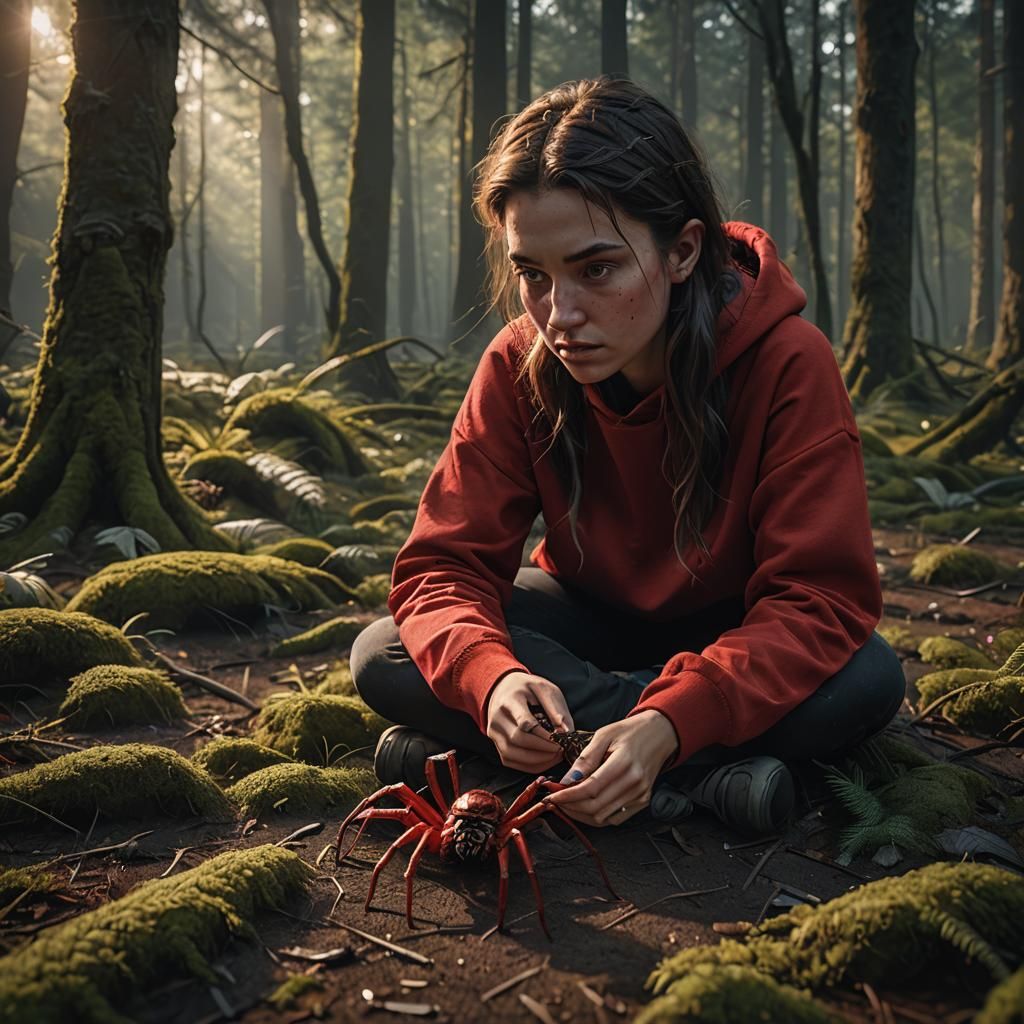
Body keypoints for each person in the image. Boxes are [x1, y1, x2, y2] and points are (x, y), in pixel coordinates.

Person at [351, 76, 905, 836]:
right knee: (385, 650)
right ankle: (702, 777)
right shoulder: (517, 364)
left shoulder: (788, 363)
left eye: (597, 269)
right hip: (587, 616)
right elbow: (440, 570)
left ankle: (579, 756)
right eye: (532, 276)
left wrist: (672, 717)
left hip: (741, 629)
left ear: (682, 250)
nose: (560, 315)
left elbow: (820, 599)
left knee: (867, 678)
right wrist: (497, 681)